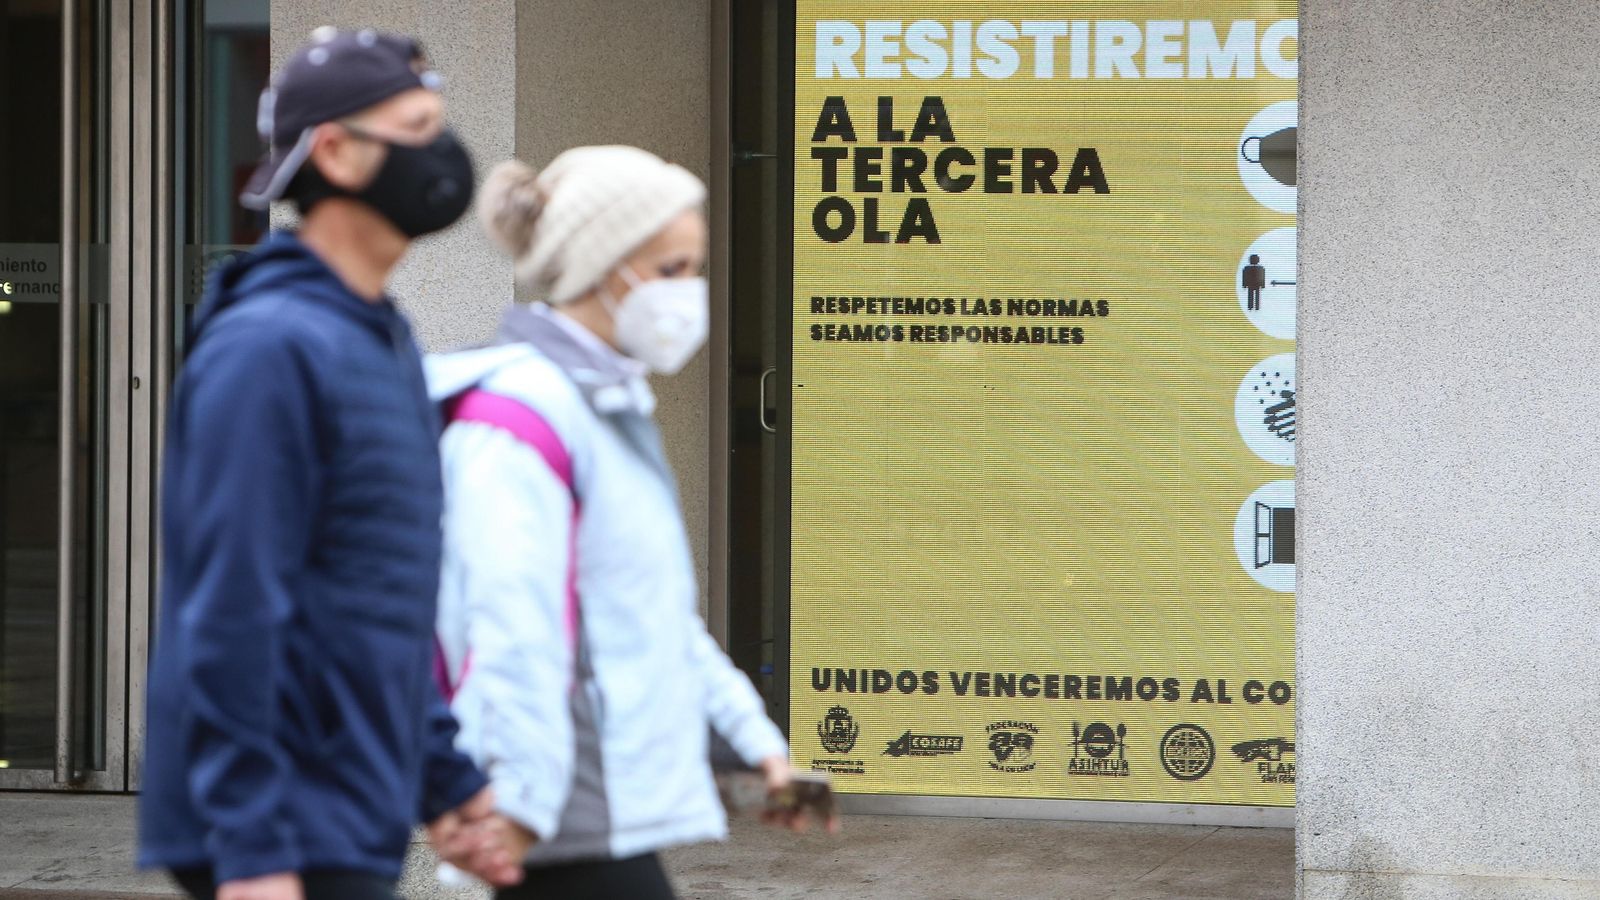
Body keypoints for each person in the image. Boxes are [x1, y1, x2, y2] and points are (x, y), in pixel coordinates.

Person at [139, 29, 523, 900]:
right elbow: (229, 606)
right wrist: (252, 848)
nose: (445, 153)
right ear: (339, 154)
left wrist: (446, 784)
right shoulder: (268, 348)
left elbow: (373, 598)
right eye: (419, 127)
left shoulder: (377, 336)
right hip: (285, 824)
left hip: (354, 803)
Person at [426, 147, 812, 900]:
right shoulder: (522, 418)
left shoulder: (609, 407)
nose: (690, 295)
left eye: (694, 270)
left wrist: (756, 747)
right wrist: (520, 813)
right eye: (671, 271)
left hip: (596, 816)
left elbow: (653, 616)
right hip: (552, 823)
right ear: (604, 267)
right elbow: (510, 626)